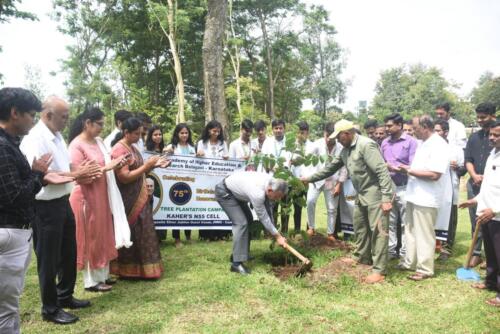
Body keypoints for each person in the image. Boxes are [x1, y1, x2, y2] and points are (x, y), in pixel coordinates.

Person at [20, 97, 102, 324]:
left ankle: (64, 295)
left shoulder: (56, 136)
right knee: (48, 259)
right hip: (45, 206)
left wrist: (81, 169)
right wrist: (77, 175)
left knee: (68, 252)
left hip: (63, 201)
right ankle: (50, 308)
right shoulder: (35, 139)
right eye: (64, 116)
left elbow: (65, 167)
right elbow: (42, 176)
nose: (68, 121)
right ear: (47, 115)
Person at [301, 119, 394, 284]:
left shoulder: (366, 145)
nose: (336, 140)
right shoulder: (345, 150)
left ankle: (380, 269)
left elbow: (382, 171)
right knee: (360, 227)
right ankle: (361, 257)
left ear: (347, 133)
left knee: (378, 231)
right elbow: (330, 168)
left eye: (339, 137)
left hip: (375, 195)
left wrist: (386, 198)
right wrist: (310, 178)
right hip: (361, 194)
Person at [0, 87, 58, 334]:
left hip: (13, 232)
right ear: (15, 113)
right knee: (6, 308)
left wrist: (36, 175)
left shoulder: (10, 144)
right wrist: (38, 175)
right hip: (9, 233)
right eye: (31, 115)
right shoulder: (3, 147)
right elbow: (14, 196)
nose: (33, 121)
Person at [68, 107, 130, 293]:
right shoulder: (76, 146)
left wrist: (117, 163)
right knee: (91, 237)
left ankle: (102, 275)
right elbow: (77, 176)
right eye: (99, 124)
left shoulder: (99, 141)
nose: (102, 128)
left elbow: (106, 163)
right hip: (86, 198)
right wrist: (106, 167)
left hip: (102, 195)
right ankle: (91, 281)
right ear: (87, 123)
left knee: (103, 234)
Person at [110, 117, 170, 279]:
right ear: (126, 132)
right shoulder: (119, 150)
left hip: (140, 195)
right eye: (136, 133)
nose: (139, 137)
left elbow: (140, 171)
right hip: (127, 199)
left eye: (141, 133)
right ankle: (127, 269)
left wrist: (155, 165)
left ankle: (144, 269)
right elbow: (124, 177)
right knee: (133, 232)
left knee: (144, 231)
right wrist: (147, 166)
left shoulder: (133, 147)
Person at [398, 115, 450, 281]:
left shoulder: (439, 145)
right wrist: (408, 169)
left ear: (426, 126)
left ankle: (425, 268)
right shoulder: (422, 143)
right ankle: (410, 262)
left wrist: (409, 171)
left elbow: (435, 174)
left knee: (424, 233)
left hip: (427, 197)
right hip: (414, 194)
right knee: (410, 230)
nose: (413, 131)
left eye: (415, 128)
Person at [215, 171, 289, 275]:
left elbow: (269, 210)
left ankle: (241, 254)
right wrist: (277, 236)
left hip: (236, 193)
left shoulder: (270, 182)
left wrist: (275, 233)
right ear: (269, 190)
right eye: (277, 196)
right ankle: (236, 264)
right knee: (241, 223)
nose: (278, 199)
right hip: (225, 193)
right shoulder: (258, 193)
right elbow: (263, 217)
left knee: (249, 220)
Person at [459, 120, 500, 307]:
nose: (492, 138)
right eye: (491, 134)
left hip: (497, 214)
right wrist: (475, 200)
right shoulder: (493, 154)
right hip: (486, 213)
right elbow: (489, 186)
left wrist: (496, 210)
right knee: (491, 252)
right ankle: (490, 282)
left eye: (496, 135)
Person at [380, 113, 418, 261]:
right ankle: (390, 251)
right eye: (386, 125)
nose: (387, 128)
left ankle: (404, 252)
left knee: (405, 222)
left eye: (389, 126)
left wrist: (394, 168)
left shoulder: (411, 142)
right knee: (389, 221)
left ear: (399, 125)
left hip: (405, 186)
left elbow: (413, 166)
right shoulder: (384, 143)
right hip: (388, 188)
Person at [464, 102, 497, 267]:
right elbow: (468, 160)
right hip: (475, 183)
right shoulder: (474, 137)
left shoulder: (497, 135)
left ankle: (492, 256)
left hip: (494, 188)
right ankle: (476, 254)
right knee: (476, 220)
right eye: (477, 117)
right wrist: (474, 175)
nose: (479, 120)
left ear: (493, 115)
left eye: (483, 117)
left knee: (494, 220)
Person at [305, 122, 347, 240]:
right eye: (327, 135)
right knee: (310, 201)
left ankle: (330, 233)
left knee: (332, 208)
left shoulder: (341, 147)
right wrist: (308, 178)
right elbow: (306, 161)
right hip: (316, 180)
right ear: (324, 133)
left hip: (332, 181)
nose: (329, 139)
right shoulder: (316, 144)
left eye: (332, 137)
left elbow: (344, 167)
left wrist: (339, 184)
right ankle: (311, 228)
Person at [434, 119, 466, 259]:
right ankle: (434, 245)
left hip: (449, 190)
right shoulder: (428, 146)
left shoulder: (455, 149)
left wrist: (457, 168)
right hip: (433, 189)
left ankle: (446, 248)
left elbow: (465, 168)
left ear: (446, 132)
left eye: (438, 130)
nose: (435, 133)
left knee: (449, 218)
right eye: (434, 130)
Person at [197, 120, 230, 241]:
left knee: (220, 204)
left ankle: (221, 234)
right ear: (208, 130)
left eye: (218, 131)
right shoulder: (202, 143)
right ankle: (206, 235)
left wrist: (227, 158)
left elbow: (227, 158)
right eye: (214, 130)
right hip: (205, 179)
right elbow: (198, 158)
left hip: (220, 179)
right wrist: (198, 154)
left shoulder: (223, 143)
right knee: (206, 204)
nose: (216, 133)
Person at [164, 123, 196, 246]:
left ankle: (188, 236)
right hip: (175, 182)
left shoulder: (192, 147)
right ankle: (176, 238)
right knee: (176, 207)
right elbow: (163, 157)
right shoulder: (172, 146)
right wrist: (166, 151)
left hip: (189, 182)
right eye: (182, 133)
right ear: (177, 134)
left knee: (188, 208)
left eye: (186, 133)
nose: (184, 135)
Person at [261, 119, 292, 232]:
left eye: (280, 128)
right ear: (272, 130)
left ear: (284, 129)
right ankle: (272, 230)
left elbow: (293, 159)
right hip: (272, 178)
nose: (278, 130)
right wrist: (271, 167)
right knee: (272, 205)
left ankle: (284, 230)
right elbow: (263, 160)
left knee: (285, 205)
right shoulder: (267, 142)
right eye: (276, 128)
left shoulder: (290, 142)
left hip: (286, 178)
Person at [289, 121, 313, 233]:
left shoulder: (313, 146)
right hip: (296, 181)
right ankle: (297, 230)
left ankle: (310, 229)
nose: (300, 135)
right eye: (298, 132)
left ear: (307, 133)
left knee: (309, 205)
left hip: (308, 181)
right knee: (297, 207)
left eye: (302, 132)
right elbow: (288, 163)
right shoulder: (291, 146)